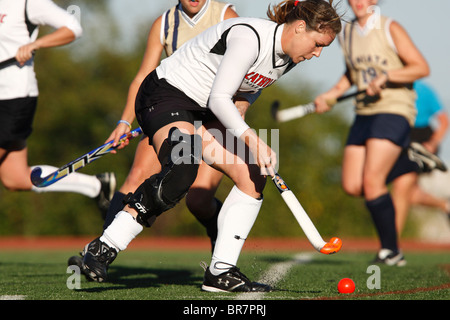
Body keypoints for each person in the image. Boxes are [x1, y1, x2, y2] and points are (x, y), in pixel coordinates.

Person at [81, 0, 342, 293]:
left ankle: (221, 272)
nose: (318, 53)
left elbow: (249, 88)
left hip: (206, 111)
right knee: (182, 168)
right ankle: (104, 246)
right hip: (167, 95)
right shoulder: (250, 38)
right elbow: (219, 97)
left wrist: (242, 108)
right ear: (299, 27)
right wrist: (253, 139)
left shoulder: (289, 57)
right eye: (318, 44)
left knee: (253, 174)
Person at [102, 0, 238, 249]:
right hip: (171, 110)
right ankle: (101, 249)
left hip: (212, 117)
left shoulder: (225, 16)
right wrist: (124, 121)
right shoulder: (164, 24)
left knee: (197, 199)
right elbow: (144, 75)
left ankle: (222, 245)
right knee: (136, 177)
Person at [315, 0, 430, 266]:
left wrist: (387, 76)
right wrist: (331, 95)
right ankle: (405, 162)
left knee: (373, 182)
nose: (357, 2)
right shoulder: (346, 32)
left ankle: (391, 251)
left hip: (393, 109)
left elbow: (421, 67)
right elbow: (352, 74)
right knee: (353, 185)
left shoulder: (390, 28)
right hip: (363, 112)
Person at [0, 0, 115, 213]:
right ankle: (95, 186)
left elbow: (73, 27)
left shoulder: (26, 3)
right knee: (15, 178)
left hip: (14, 97)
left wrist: (36, 44)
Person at [392, 80, 449, 234]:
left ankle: (391, 244)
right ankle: (445, 205)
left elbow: (444, 121)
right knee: (408, 193)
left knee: (401, 187)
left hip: (419, 140)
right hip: (397, 136)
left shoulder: (424, 90)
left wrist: (432, 143)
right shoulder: (390, 86)